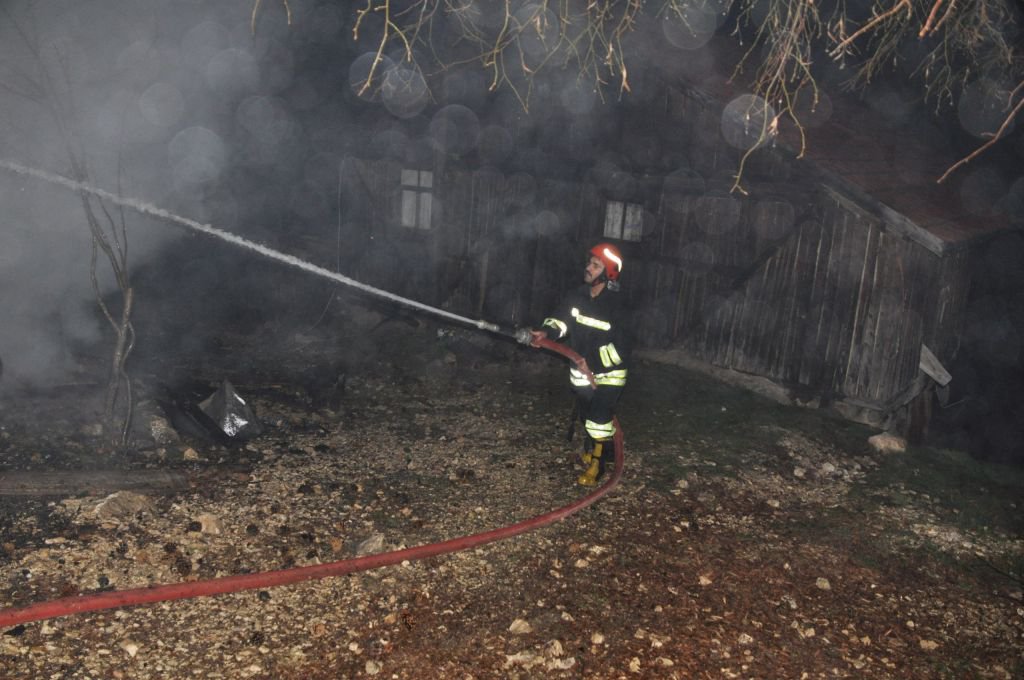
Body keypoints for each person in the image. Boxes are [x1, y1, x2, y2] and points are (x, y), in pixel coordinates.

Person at [528, 243, 631, 486]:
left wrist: (594, 364)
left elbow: (622, 348)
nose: (588, 268)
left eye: (595, 266)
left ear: (609, 273)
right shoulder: (577, 296)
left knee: (599, 418)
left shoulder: (618, 305)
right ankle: (594, 448)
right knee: (586, 416)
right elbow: (561, 320)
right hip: (580, 371)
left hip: (608, 375)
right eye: (589, 263)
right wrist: (546, 332)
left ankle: (599, 463)